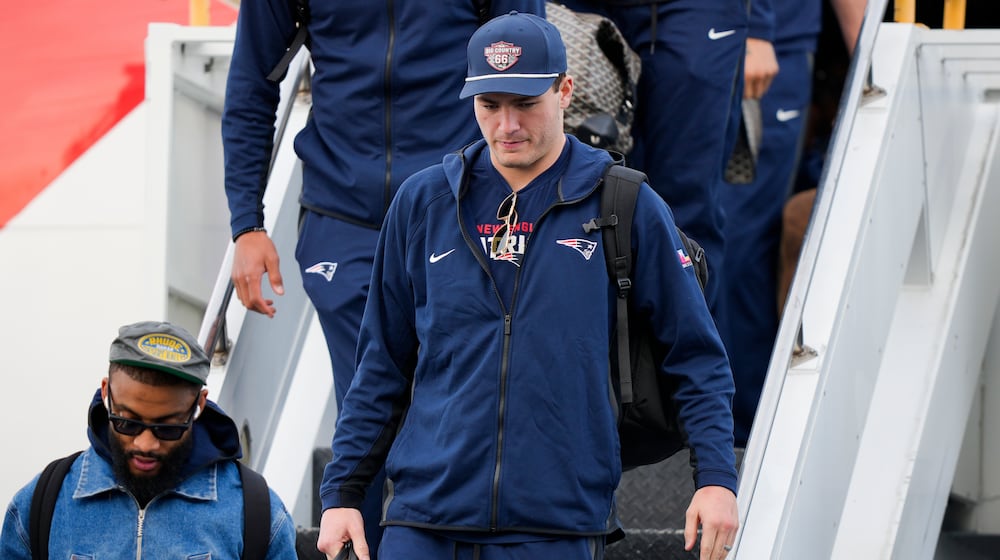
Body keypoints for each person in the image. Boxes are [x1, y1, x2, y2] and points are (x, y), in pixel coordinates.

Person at [316, 12, 738, 560]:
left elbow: (697, 357)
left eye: (525, 103)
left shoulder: (627, 206)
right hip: (423, 521)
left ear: (564, 92)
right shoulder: (423, 204)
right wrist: (343, 491)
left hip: (556, 526)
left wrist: (715, 479)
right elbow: (381, 365)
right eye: (490, 106)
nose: (507, 125)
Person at [222, 2, 543, 550]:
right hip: (341, 219)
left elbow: (530, 68)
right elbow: (253, 83)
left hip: (458, 205)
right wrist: (246, 224)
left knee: (465, 401)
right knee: (363, 406)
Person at [0, 320, 297, 559]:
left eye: (167, 428)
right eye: (127, 422)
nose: (145, 444)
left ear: (199, 405)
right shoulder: (43, 503)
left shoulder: (255, 512)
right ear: (106, 393)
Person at [718, 0, 866, 446]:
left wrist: (874, 59)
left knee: (741, 244)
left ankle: (746, 430)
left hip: (765, 52)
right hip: (672, 44)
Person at [557, 0, 751, 314]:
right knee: (582, 200)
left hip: (693, 13)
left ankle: (688, 356)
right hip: (579, 9)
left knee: (686, 209)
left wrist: (762, 31)